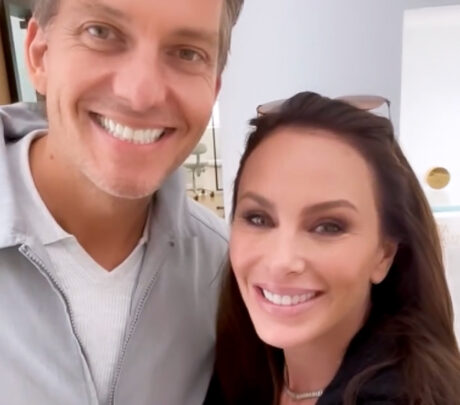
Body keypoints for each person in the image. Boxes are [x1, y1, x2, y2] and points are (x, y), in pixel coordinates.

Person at [0, 0, 244, 404]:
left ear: (213, 87)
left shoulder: (226, 277)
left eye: (187, 53)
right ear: (40, 54)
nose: (140, 94)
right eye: (101, 32)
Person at [207, 92, 460, 404]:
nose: (281, 261)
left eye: (328, 227)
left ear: (385, 253)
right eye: (258, 218)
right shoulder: (241, 370)